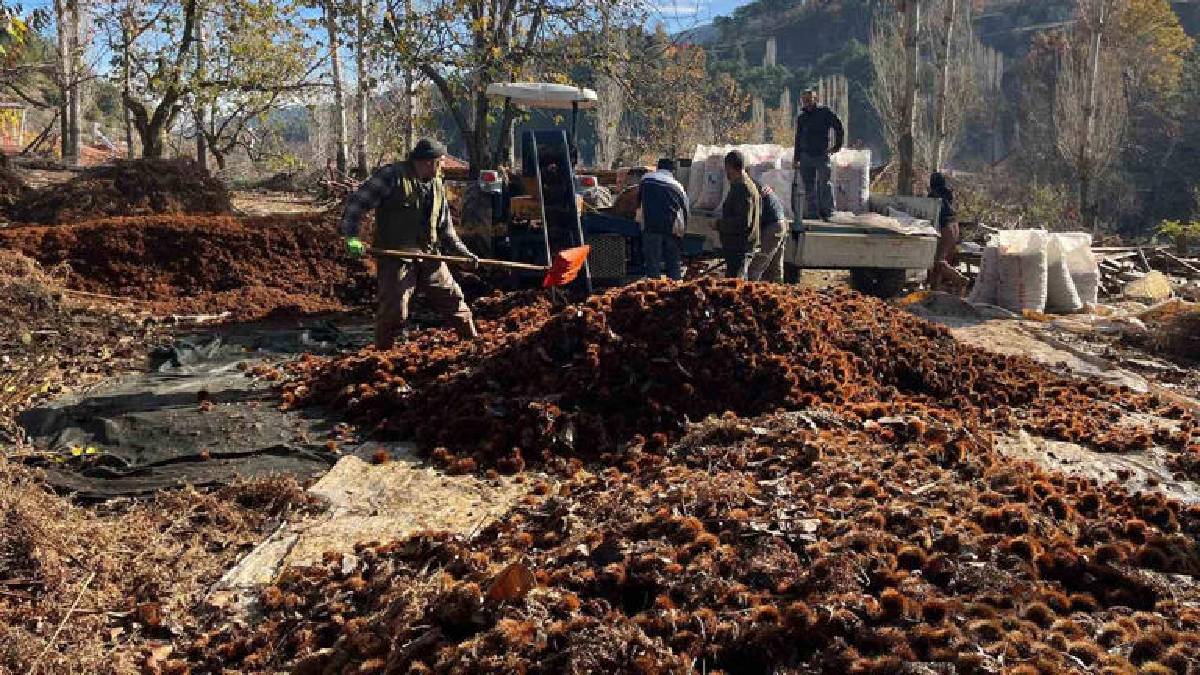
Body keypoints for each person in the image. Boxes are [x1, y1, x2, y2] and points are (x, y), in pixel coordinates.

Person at [341, 138, 481, 348]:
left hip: (430, 256)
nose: (442, 167)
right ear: (428, 161)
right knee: (395, 310)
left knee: (454, 300)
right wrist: (351, 236)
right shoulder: (392, 176)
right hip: (397, 257)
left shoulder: (437, 185)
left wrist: (464, 253)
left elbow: (446, 229)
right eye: (440, 162)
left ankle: (475, 344)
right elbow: (356, 204)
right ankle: (382, 356)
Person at [793, 89, 845, 221]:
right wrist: (796, 158)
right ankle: (813, 214)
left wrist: (837, 146)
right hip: (806, 156)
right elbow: (798, 138)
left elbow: (838, 126)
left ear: (815, 99)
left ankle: (828, 212)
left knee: (824, 184)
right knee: (809, 186)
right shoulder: (801, 117)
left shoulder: (824, 112)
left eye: (809, 100)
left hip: (821, 155)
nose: (807, 102)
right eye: (804, 100)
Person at [638, 158, 689, 280]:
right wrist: (682, 233)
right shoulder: (678, 187)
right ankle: (676, 292)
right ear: (672, 171)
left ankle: (654, 293)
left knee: (653, 266)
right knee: (673, 265)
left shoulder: (646, 179)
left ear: (658, 167)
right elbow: (686, 211)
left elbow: (639, 201)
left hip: (651, 229)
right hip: (671, 230)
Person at [718, 150, 760, 279]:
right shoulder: (744, 185)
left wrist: (719, 224)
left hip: (739, 247)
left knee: (735, 284)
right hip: (738, 246)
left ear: (730, 167)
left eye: (726, 169)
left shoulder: (743, 188)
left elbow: (743, 222)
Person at [926, 171, 968, 293]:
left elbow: (930, 214)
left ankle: (960, 279)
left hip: (946, 229)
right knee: (942, 261)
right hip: (955, 227)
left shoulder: (933, 195)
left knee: (937, 262)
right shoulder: (948, 193)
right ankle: (934, 291)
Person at [748, 177, 787, 283]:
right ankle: (778, 292)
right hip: (781, 222)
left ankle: (750, 292)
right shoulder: (757, 184)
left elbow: (752, 218)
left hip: (772, 226)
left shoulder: (749, 188)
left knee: (754, 268)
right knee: (775, 268)